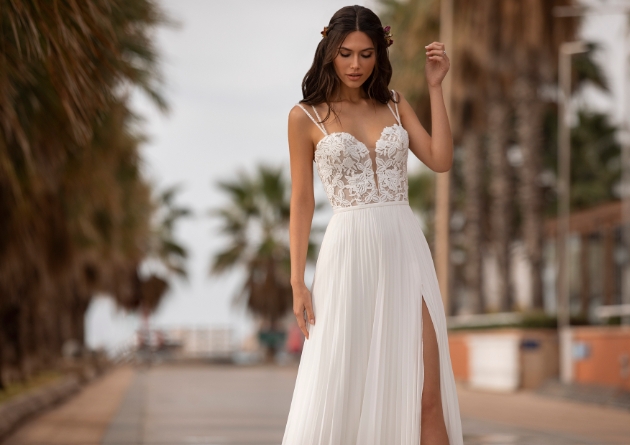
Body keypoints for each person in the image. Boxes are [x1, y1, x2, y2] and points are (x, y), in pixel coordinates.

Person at [283, 5, 463, 445]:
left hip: (404, 250)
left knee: (426, 391)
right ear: (329, 51)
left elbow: (440, 160)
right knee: (345, 392)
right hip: (347, 257)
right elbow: (302, 201)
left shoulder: (395, 104)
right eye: (345, 53)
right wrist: (297, 281)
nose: (355, 65)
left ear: (379, 55)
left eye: (366, 54)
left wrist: (435, 87)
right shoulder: (305, 116)